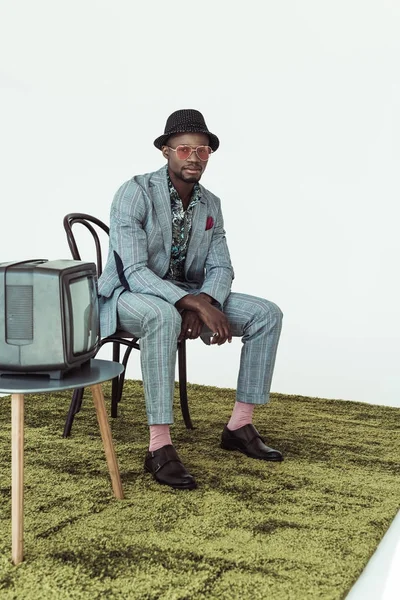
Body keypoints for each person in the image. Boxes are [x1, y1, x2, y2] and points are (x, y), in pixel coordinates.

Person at [98, 109, 283, 490]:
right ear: (166, 151)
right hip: (129, 296)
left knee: (267, 314)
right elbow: (133, 270)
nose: (194, 157)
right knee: (163, 317)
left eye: (203, 151)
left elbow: (222, 267)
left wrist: (208, 300)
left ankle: (239, 425)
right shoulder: (134, 192)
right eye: (184, 149)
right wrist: (192, 303)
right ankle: (158, 447)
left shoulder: (211, 204)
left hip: (191, 296)